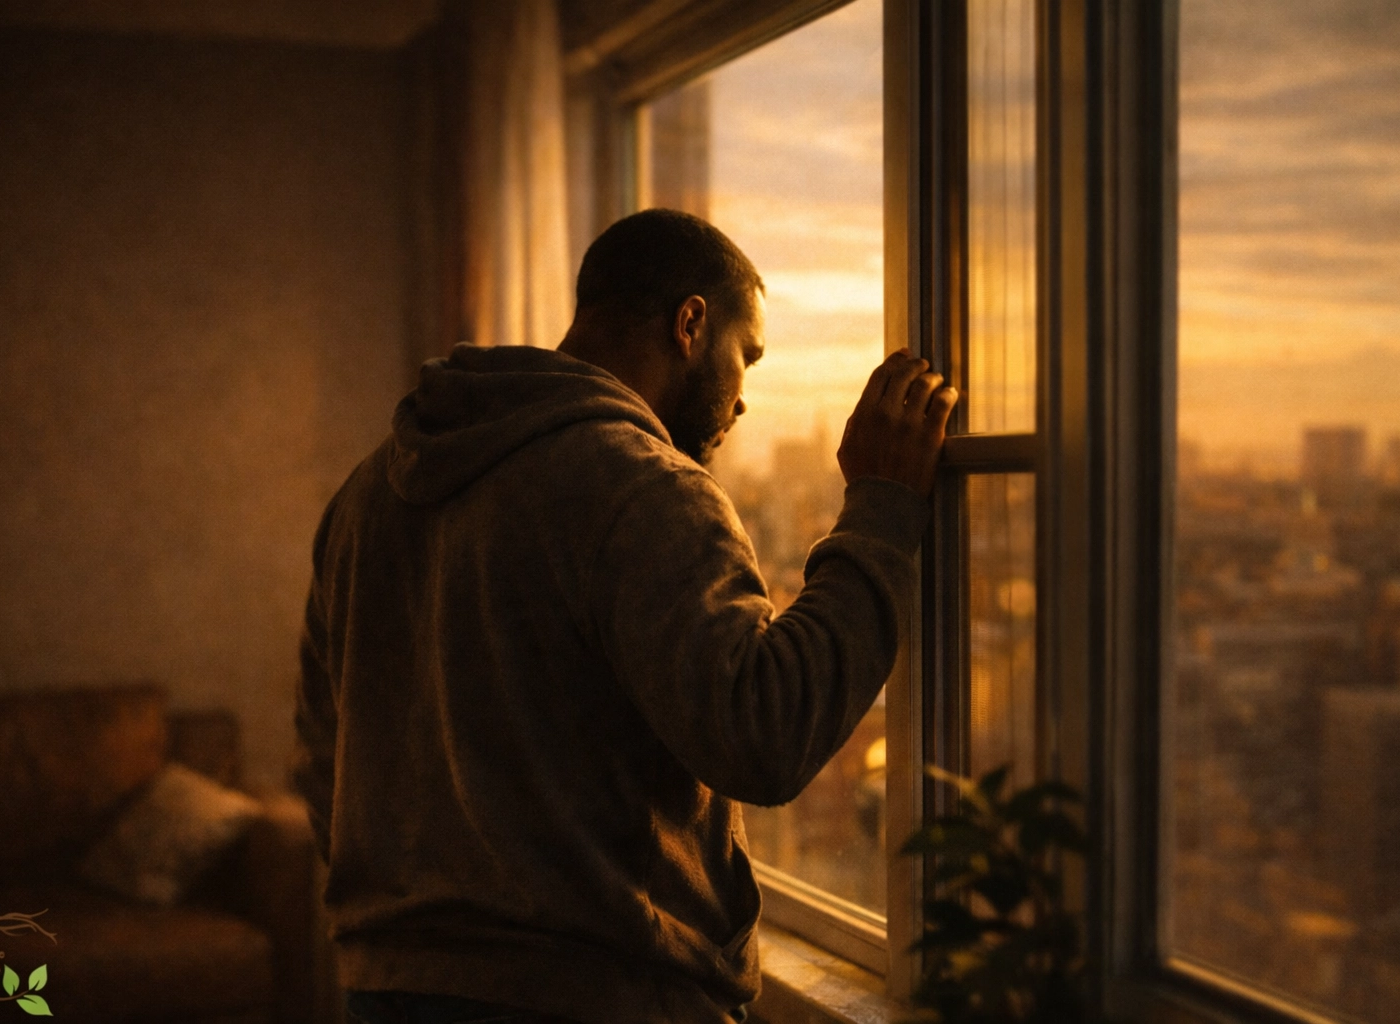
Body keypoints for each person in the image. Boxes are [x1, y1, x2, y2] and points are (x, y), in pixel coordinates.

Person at [290, 209, 957, 1024]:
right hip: (595, 995)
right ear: (691, 324)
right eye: (745, 357)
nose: (743, 401)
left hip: (386, 988)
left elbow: (323, 751)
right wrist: (881, 508)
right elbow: (765, 732)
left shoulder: (366, 495)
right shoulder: (641, 486)